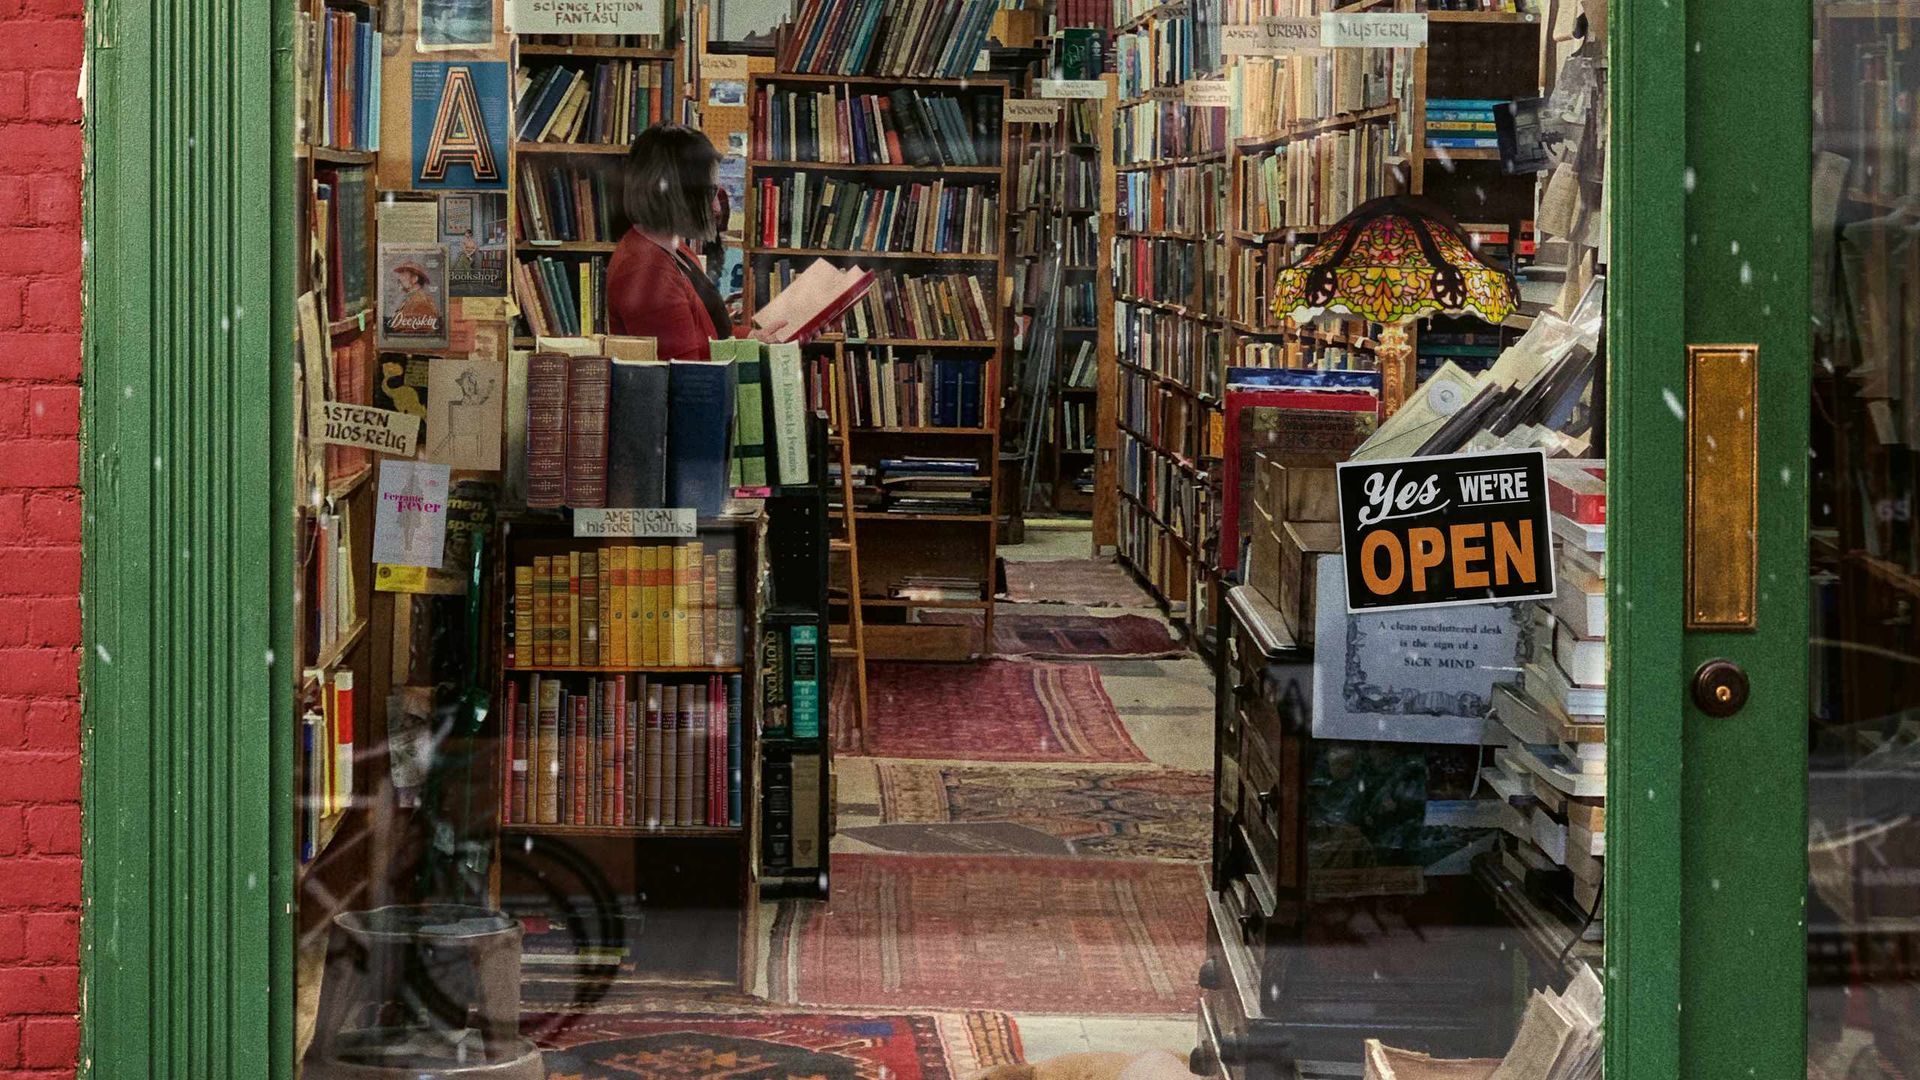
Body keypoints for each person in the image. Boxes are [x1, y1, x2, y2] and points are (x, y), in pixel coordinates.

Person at [608, 124, 740, 360]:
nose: (717, 208)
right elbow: (690, 376)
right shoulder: (646, 272)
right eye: (707, 193)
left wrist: (759, 339)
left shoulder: (676, 249)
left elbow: (709, 337)